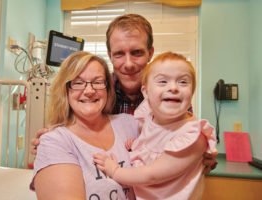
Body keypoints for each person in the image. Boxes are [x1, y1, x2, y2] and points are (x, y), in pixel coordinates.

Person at [31, 14, 217, 172]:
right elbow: (72, 127)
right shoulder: (98, 93)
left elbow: (185, 143)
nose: (128, 64)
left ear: (150, 52)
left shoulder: (169, 95)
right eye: (119, 54)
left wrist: (200, 157)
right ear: (110, 54)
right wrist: (52, 137)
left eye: (136, 53)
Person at [93, 52, 218, 200]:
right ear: (146, 92)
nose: (173, 88)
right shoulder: (150, 117)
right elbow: (153, 144)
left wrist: (114, 171)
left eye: (183, 82)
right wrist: (139, 145)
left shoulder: (192, 135)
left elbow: (151, 175)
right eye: (163, 82)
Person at [30, 51, 138, 199]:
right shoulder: (55, 141)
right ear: (65, 89)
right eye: (78, 83)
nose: (89, 90)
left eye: (98, 82)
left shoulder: (130, 124)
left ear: (107, 88)